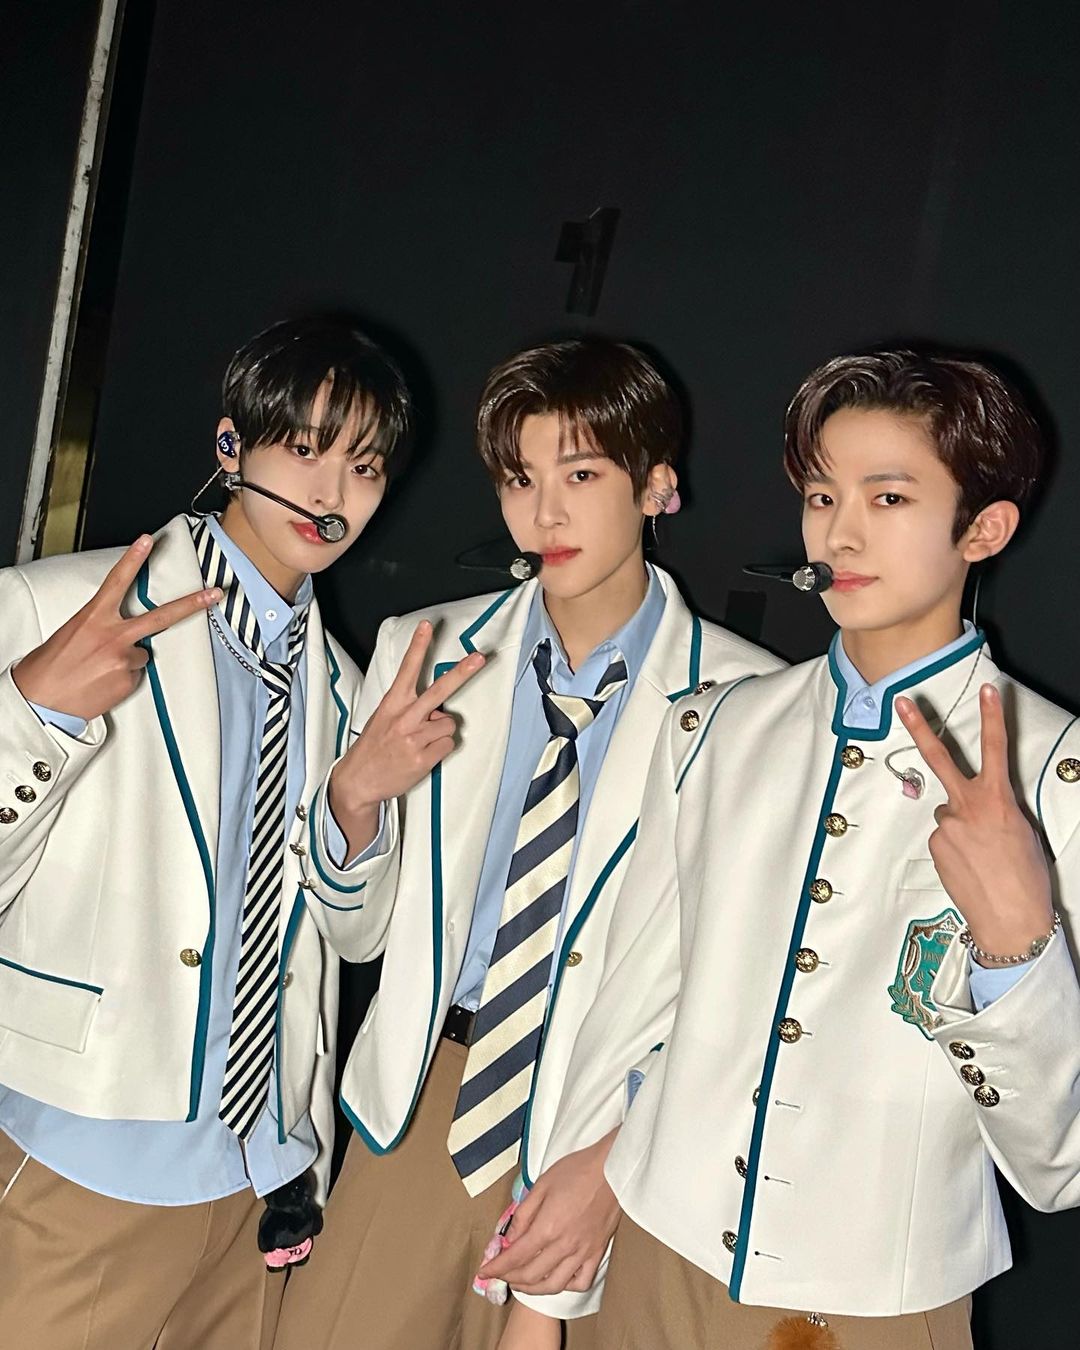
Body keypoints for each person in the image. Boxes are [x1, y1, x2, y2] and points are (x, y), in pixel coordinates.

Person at [531, 348, 1080, 1350]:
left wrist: (1016, 947)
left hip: (876, 1306)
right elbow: (629, 1015)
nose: (841, 531)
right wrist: (549, 1301)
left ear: (985, 528)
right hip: (655, 1265)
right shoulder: (712, 729)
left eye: (890, 497)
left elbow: (1062, 1164)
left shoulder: (1059, 780)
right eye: (823, 496)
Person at [274, 336, 783, 1350]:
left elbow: (744, 978)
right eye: (519, 479)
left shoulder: (753, 703)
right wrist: (354, 799)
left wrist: (618, 1152)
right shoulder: (423, 654)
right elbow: (358, 932)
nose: (544, 513)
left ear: (658, 485)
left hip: (623, 1128)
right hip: (432, 1099)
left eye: (580, 475)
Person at [0, 315, 432, 1350]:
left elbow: (358, 939)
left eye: (365, 466)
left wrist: (354, 811)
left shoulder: (348, 686)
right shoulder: (56, 606)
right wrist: (36, 712)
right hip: (83, 1156)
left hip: (257, 1187)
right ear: (232, 445)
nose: (333, 494)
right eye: (307, 449)